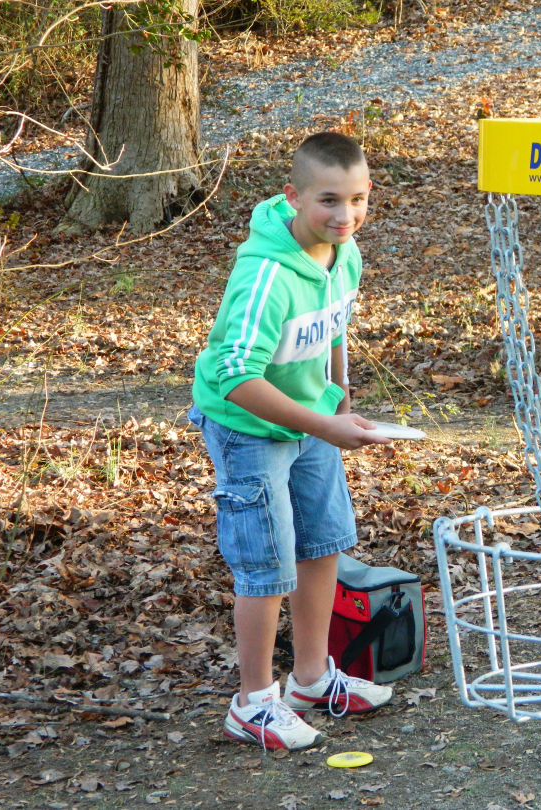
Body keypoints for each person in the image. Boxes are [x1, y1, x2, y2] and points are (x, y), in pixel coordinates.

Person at [189, 132, 392, 751]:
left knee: (324, 542)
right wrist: (323, 424)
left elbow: (333, 326)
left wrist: (340, 398)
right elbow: (235, 375)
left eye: (357, 200)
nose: (345, 215)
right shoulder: (265, 275)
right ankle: (252, 703)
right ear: (294, 197)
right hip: (251, 430)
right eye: (329, 200)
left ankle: (309, 679)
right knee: (266, 564)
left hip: (312, 422)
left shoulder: (344, 252)